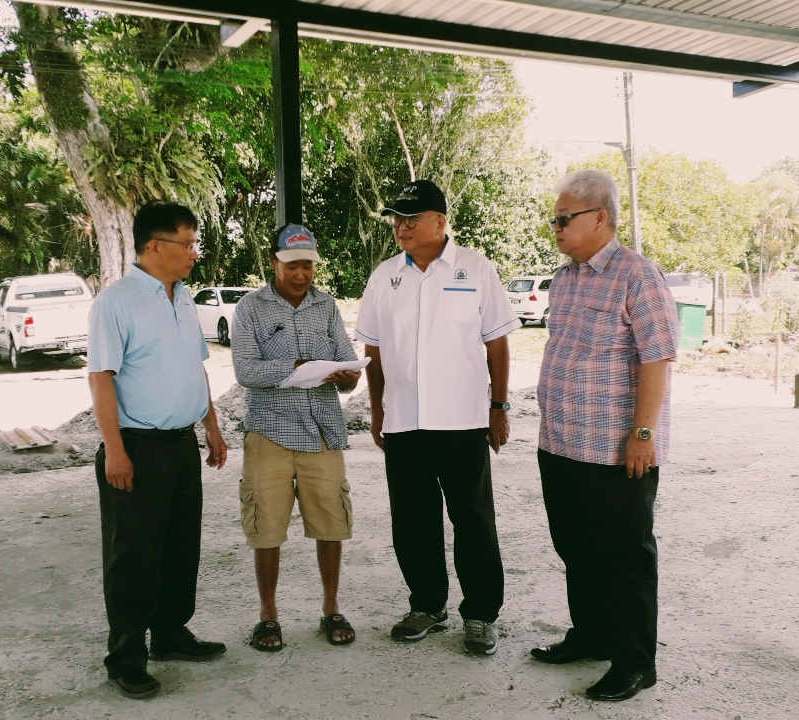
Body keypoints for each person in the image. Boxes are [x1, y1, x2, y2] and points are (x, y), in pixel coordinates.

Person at [530, 170, 678, 702]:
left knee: (625, 558)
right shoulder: (564, 278)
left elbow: (657, 359)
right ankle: (591, 635)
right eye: (554, 219)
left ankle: (635, 662)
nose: (556, 227)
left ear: (599, 217)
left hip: (615, 450)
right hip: (561, 443)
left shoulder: (638, 275)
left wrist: (643, 433)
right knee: (577, 549)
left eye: (563, 218)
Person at [356, 179, 517, 656]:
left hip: (463, 421)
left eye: (412, 218)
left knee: (473, 520)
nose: (401, 227)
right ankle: (427, 604)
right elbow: (374, 351)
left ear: (440, 221)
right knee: (412, 521)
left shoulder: (476, 268)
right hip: (405, 422)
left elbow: (497, 343)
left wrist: (499, 407)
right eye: (397, 219)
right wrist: (378, 409)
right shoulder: (384, 277)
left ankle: (481, 614)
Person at [86, 201, 229, 700]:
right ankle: (126, 657)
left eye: (194, 243)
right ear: (154, 246)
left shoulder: (184, 298)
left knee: (180, 547)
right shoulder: (116, 302)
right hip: (137, 447)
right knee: (133, 556)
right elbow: (101, 379)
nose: (194, 253)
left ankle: (170, 633)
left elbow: (196, 367)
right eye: (187, 243)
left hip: (181, 443)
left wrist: (212, 426)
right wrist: (115, 450)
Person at [230, 223, 361, 652]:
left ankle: (331, 609)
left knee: (331, 522)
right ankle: (268, 616)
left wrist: (346, 376)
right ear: (274, 262)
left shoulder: (326, 306)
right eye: (292, 266)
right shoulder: (250, 308)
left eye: (308, 265)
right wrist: (297, 366)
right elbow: (246, 370)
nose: (302, 274)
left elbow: (347, 366)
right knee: (266, 528)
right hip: (269, 430)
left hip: (322, 429)